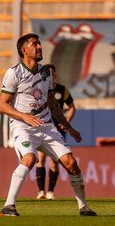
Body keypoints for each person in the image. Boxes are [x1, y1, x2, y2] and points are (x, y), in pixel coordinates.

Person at [0, 33, 96, 216]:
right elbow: (2, 104)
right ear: (24, 50)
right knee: (28, 159)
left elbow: (52, 104)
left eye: (39, 44)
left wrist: (69, 127)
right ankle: (8, 206)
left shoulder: (45, 72)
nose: (39, 47)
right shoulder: (14, 73)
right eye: (34, 44)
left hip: (46, 126)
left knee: (72, 164)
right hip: (23, 126)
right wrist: (24, 116)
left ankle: (84, 207)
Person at [35, 64, 76, 200]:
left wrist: (68, 121)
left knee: (54, 161)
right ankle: (41, 191)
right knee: (40, 159)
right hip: (43, 127)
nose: (50, 76)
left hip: (57, 129)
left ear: (55, 75)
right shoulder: (40, 87)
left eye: (52, 73)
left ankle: (50, 192)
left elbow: (71, 107)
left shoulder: (62, 90)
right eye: (48, 73)